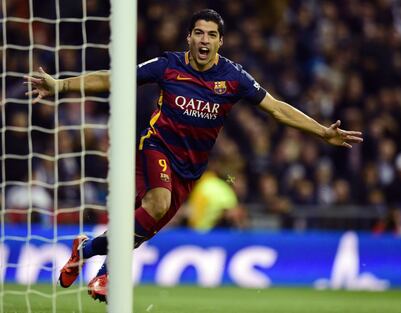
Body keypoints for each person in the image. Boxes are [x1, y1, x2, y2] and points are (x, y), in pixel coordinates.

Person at [24, 9, 363, 302]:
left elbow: (275, 109)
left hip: (190, 171)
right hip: (156, 149)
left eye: (211, 35)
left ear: (220, 42)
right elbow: (115, 79)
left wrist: (322, 131)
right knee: (155, 205)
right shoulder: (168, 65)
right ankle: (106, 275)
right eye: (198, 33)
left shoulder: (232, 77)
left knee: (138, 234)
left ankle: (83, 251)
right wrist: (62, 86)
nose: (204, 40)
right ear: (189, 37)